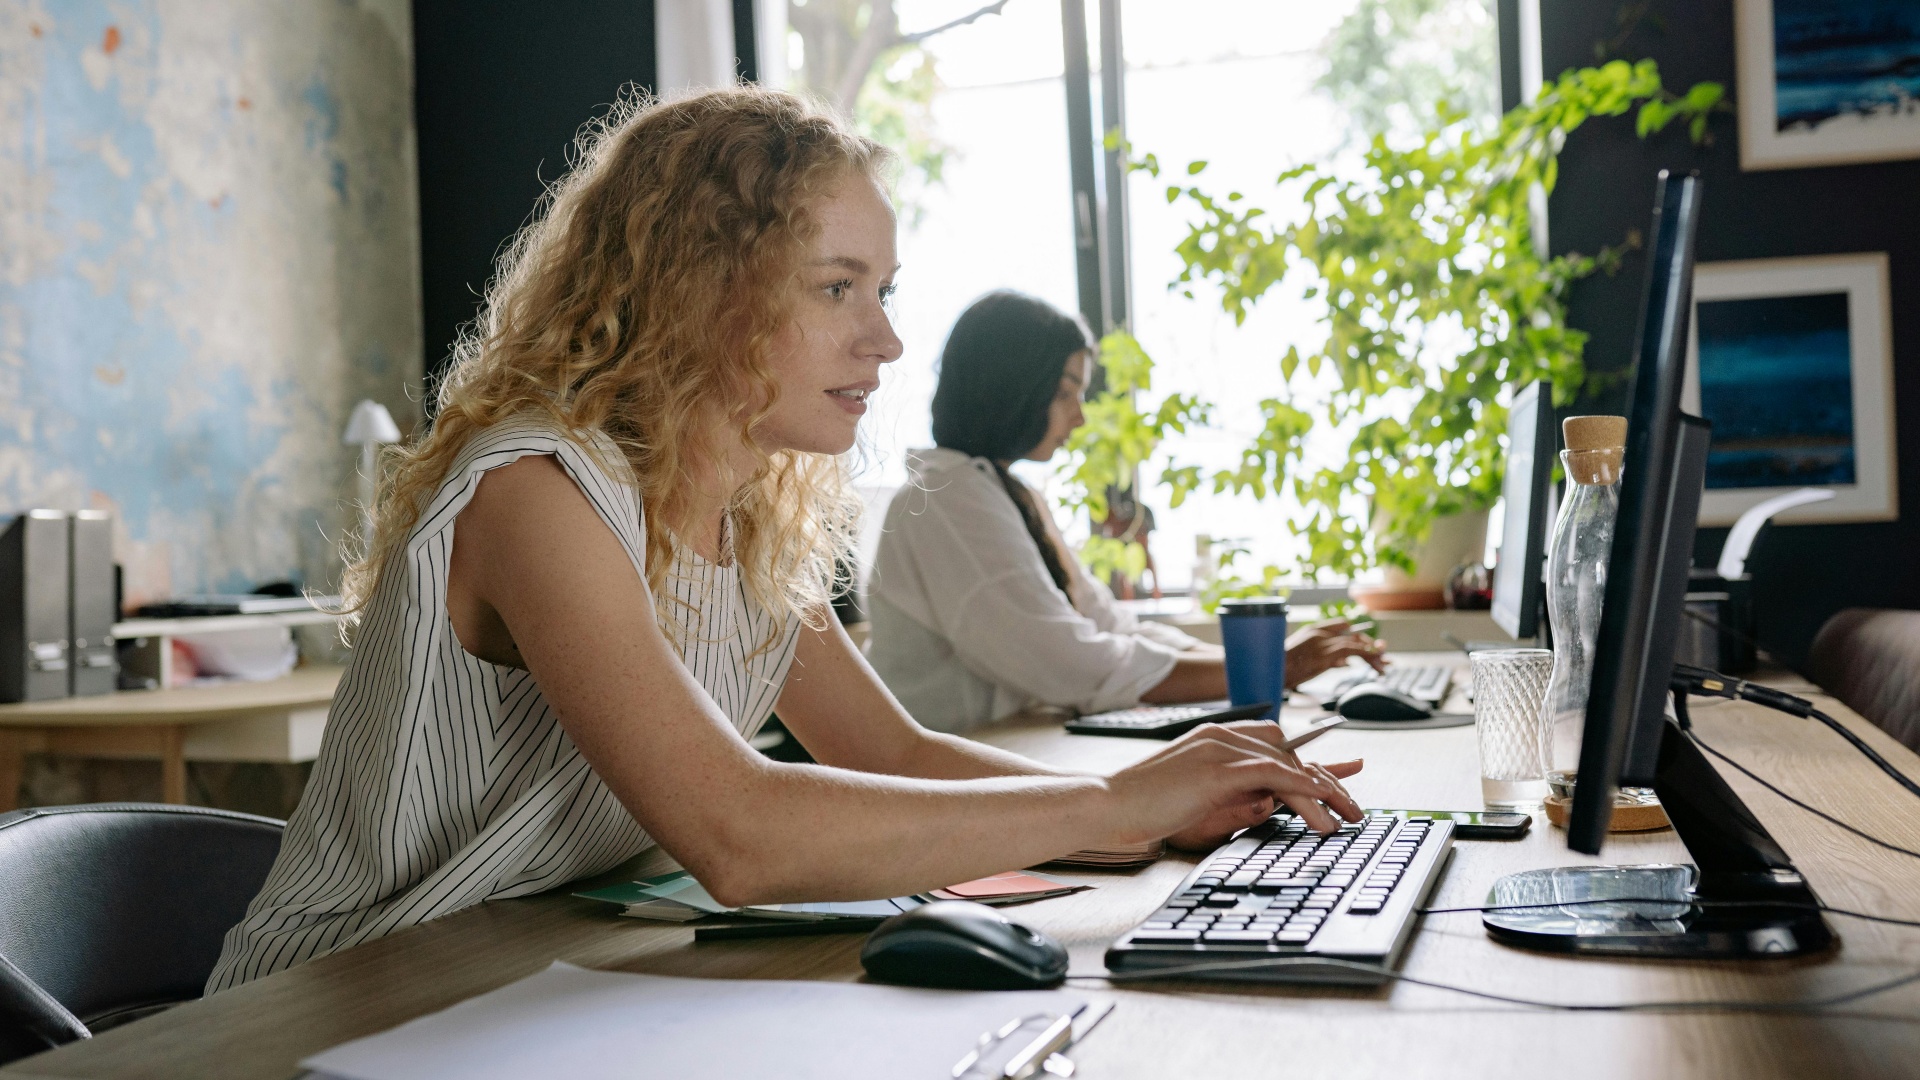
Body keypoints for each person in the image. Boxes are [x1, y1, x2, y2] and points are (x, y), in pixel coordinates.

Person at [204, 89, 1365, 992]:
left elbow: (897, 757)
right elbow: (740, 833)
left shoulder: (751, 513)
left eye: (886, 288)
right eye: (836, 288)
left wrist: (1151, 804)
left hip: (523, 976)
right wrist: (1112, 808)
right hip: (337, 1000)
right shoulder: (537, 492)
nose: (888, 342)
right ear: (698, 288)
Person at [865, 291, 1385, 733]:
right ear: (1013, 386)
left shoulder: (1002, 492)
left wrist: (1267, 668)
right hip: (958, 774)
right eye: (1066, 391)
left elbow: (1107, 623)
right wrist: (1274, 668)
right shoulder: (945, 500)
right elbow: (1071, 664)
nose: (1081, 415)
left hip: (1011, 747)